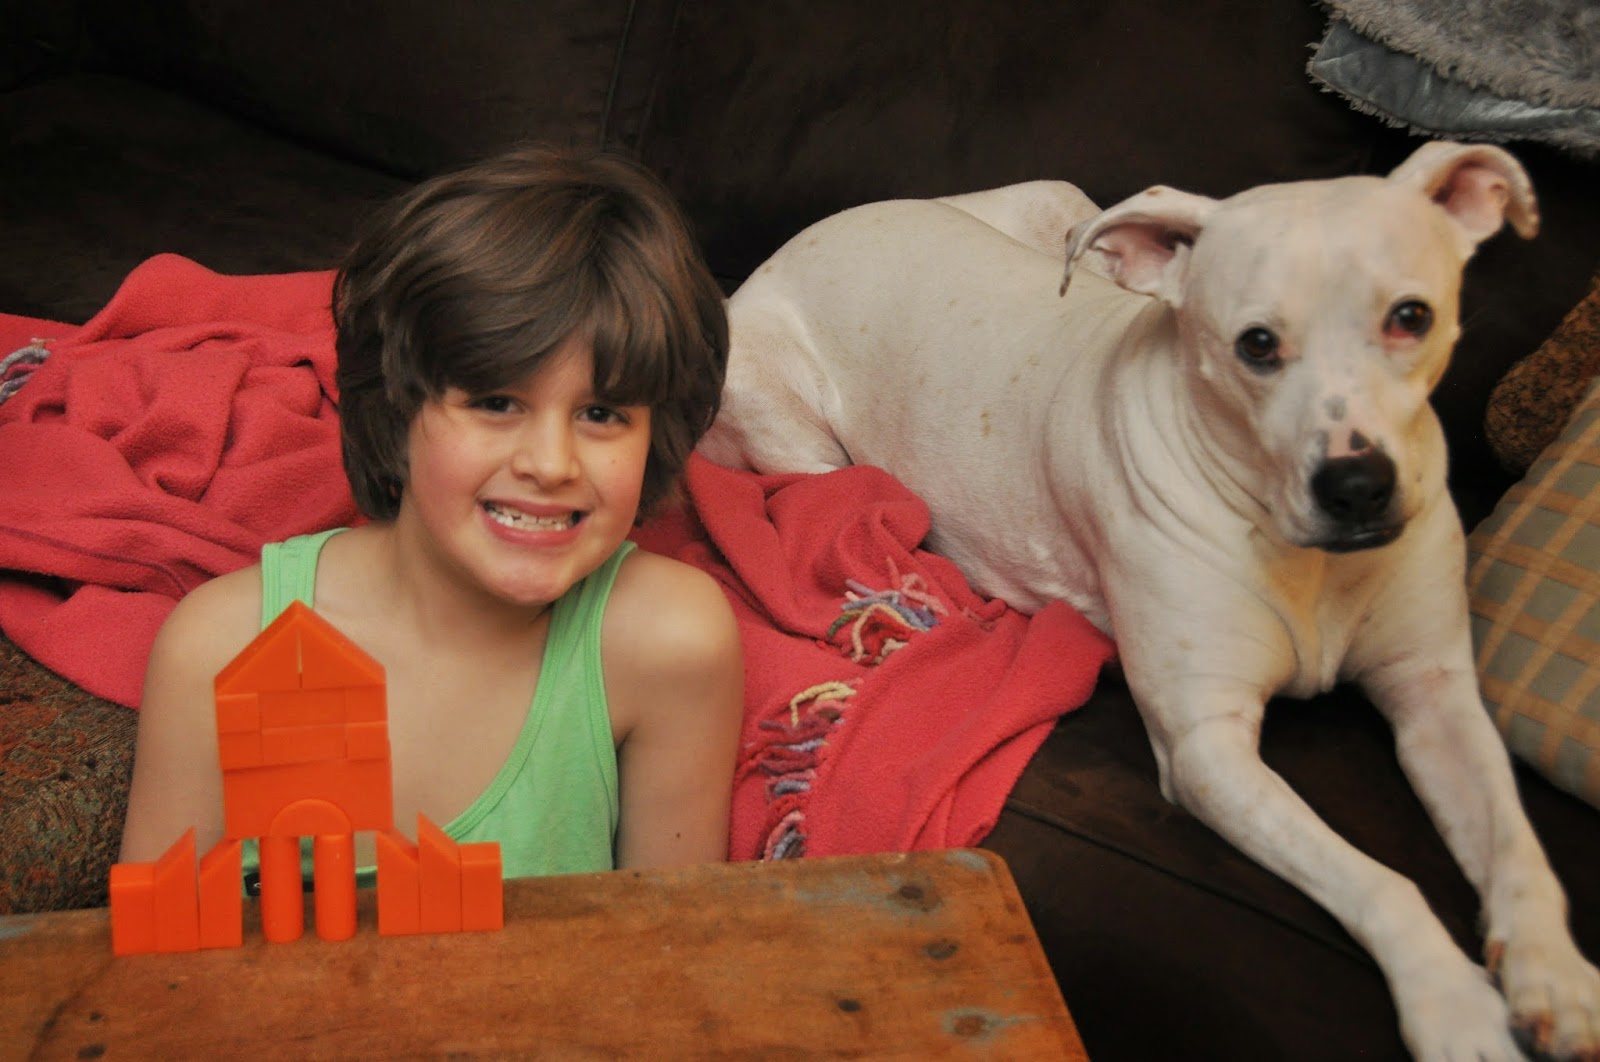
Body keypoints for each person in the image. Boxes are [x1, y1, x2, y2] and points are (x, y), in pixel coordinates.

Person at [120, 145, 744, 880]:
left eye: (602, 414)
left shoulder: (670, 643)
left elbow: (673, 938)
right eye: (496, 402)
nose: (551, 464)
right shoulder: (224, 647)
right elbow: (153, 948)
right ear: (397, 410)